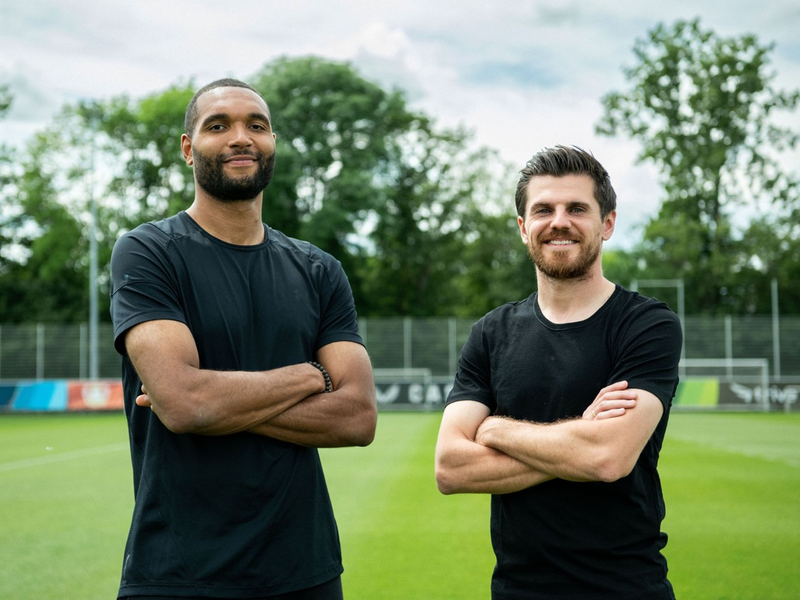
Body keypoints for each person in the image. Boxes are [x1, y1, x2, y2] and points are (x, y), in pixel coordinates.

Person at [109, 78, 377, 600]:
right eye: (218, 125)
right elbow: (185, 406)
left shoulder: (319, 270)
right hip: (177, 571)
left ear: (272, 143)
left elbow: (357, 417)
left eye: (257, 125)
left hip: (306, 571)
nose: (241, 138)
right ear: (189, 149)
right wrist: (308, 377)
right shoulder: (148, 253)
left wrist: (209, 400)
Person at [435, 145, 682, 599]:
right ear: (523, 227)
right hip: (517, 589)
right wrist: (580, 441)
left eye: (577, 208)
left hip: (625, 587)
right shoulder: (491, 333)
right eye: (544, 209)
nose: (559, 221)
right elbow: (450, 468)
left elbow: (607, 459)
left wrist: (494, 429)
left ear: (607, 224)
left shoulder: (646, 324)